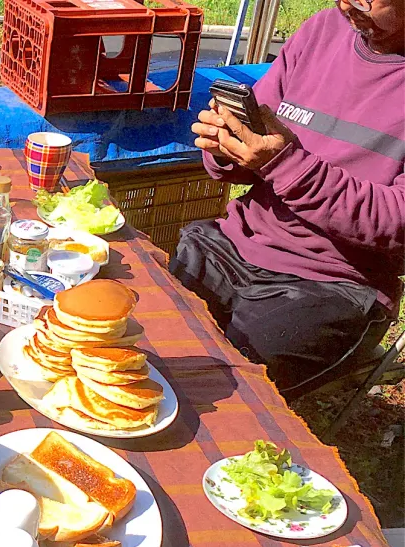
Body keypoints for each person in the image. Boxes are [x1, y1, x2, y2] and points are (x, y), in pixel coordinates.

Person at [170, 0, 404, 397]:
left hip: (333, 282)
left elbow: (396, 223)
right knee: (149, 342)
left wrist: (285, 163)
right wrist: (228, 147)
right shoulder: (324, 29)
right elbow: (262, 137)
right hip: (236, 242)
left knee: (225, 395)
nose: (349, 5)